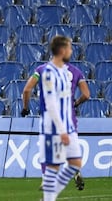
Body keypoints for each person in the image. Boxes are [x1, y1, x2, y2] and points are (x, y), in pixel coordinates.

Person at [22, 46, 90, 191]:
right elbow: (87, 95)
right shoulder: (76, 72)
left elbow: (27, 90)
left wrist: (25, 108)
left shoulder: (40, 70)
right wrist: (76, 103)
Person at [38, 36, 83, 201]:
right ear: (62, 51)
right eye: (70, 48)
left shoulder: (65, 72)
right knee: (53, 166)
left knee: (75, 163)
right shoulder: (49, 73)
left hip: (68, 125)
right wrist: (61, 129)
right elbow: (50, 103)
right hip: (55, 126)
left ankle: (48, 197)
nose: (71, 51)